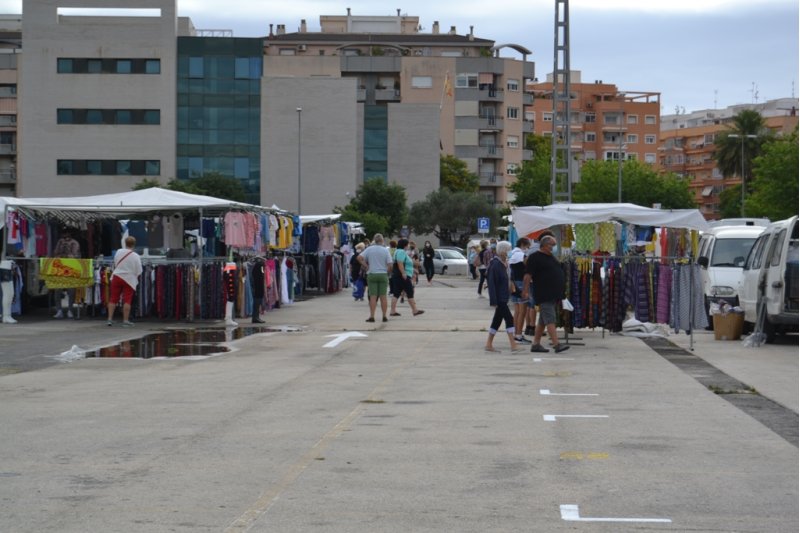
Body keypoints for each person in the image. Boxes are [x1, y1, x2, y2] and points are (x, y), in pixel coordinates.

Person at [523, 234, 569, 353]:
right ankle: (556, 344)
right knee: (550, 319)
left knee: (543, 321)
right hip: (544, 294)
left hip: (553, 294)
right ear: (543, 245)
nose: (553, 247)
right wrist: (525, 291)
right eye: (551, 245)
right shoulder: (535, 258)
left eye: (554, 245)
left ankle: (536, 344)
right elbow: (528, 276)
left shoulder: (551, 257)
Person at [484, 240, 520, 353]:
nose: (510, 252)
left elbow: (509, 280)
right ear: (503, 251)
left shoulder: (505, 264)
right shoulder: (495, 264)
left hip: (505, 296)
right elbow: (491, 283)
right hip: (499, 298)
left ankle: (488, 344)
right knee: (509, 319)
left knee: (497, 320)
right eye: (508, 250)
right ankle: (513, 344)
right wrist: (493, 300)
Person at [107, 236, 143, 327]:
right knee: (127, 300)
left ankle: (110, 319)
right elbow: (139, 270)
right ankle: (125, 320)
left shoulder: (119, 252)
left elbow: (115, 263)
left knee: (113, 298)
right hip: (129, 279)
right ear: (134, 244)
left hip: (117, 276)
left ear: (125, 243)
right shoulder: (136, 256)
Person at [358, 233, 393, 323]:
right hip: (382, 274)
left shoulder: (369, 249)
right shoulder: (385, 250)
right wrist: (387, 272)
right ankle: (384, 316)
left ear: (374, 240)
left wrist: (366, 266)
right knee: (383, 296)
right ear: (382, 241)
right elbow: (390, 264)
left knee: (373, 296)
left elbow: (359, 258)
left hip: (372, 274)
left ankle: (372, 316)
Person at [389, 239, 424, 317]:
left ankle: (392, 311)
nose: (408, 246)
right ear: (404, 245)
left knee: (396, 293)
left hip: (398, 276)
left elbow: (404, 263)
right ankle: (415, 310)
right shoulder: (401, 252)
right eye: (407, 244)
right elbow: (400, 263)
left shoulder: (397, 251)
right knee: (410, 292)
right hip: (403, 276)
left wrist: (413, 269)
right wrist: (403, 273)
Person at [52, 228, 82, 319]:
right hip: (60, 267)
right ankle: (59, 310)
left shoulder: (75, 243)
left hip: (71, 268)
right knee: (57, 289)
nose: (65, 237)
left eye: (67, 235)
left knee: (71, 290)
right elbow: (55, 252)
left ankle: (70, 310)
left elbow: (76, 255)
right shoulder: (60, 242)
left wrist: (69, 254)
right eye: (64, 235)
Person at [509, 237, 531, 344]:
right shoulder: (520, 254)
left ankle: (515, 334)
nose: (528, 249)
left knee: (517, 311)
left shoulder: (512, 253)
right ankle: (518, 335)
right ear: (522, 244)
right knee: (522, 312)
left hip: (513, 283)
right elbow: (530, 266)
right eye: (527, 246)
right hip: (521, 283)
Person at [251, 257, 266, 323]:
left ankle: (256, 317)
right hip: (258, 288)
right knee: (257, 303)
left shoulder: (258, 267)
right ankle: (255, 317)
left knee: (257, 303)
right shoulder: (260, 266)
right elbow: (262, 274)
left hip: (258, 288)